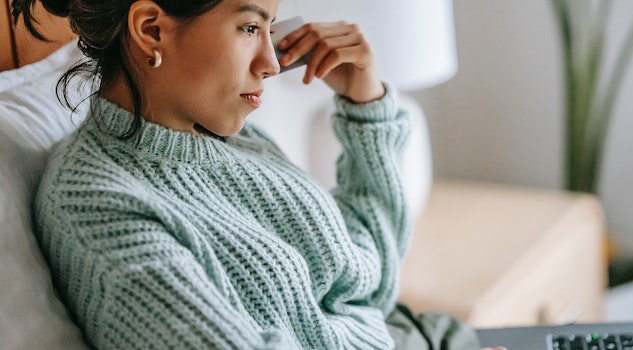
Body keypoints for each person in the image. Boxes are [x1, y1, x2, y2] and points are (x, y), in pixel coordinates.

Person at [12, 0, 502, 349]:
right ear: (151, 29)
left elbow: (364, 284)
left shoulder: (227, 138)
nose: (270, 63)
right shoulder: (97, 205)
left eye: (271, 29)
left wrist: (365, 106)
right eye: (250, 28)